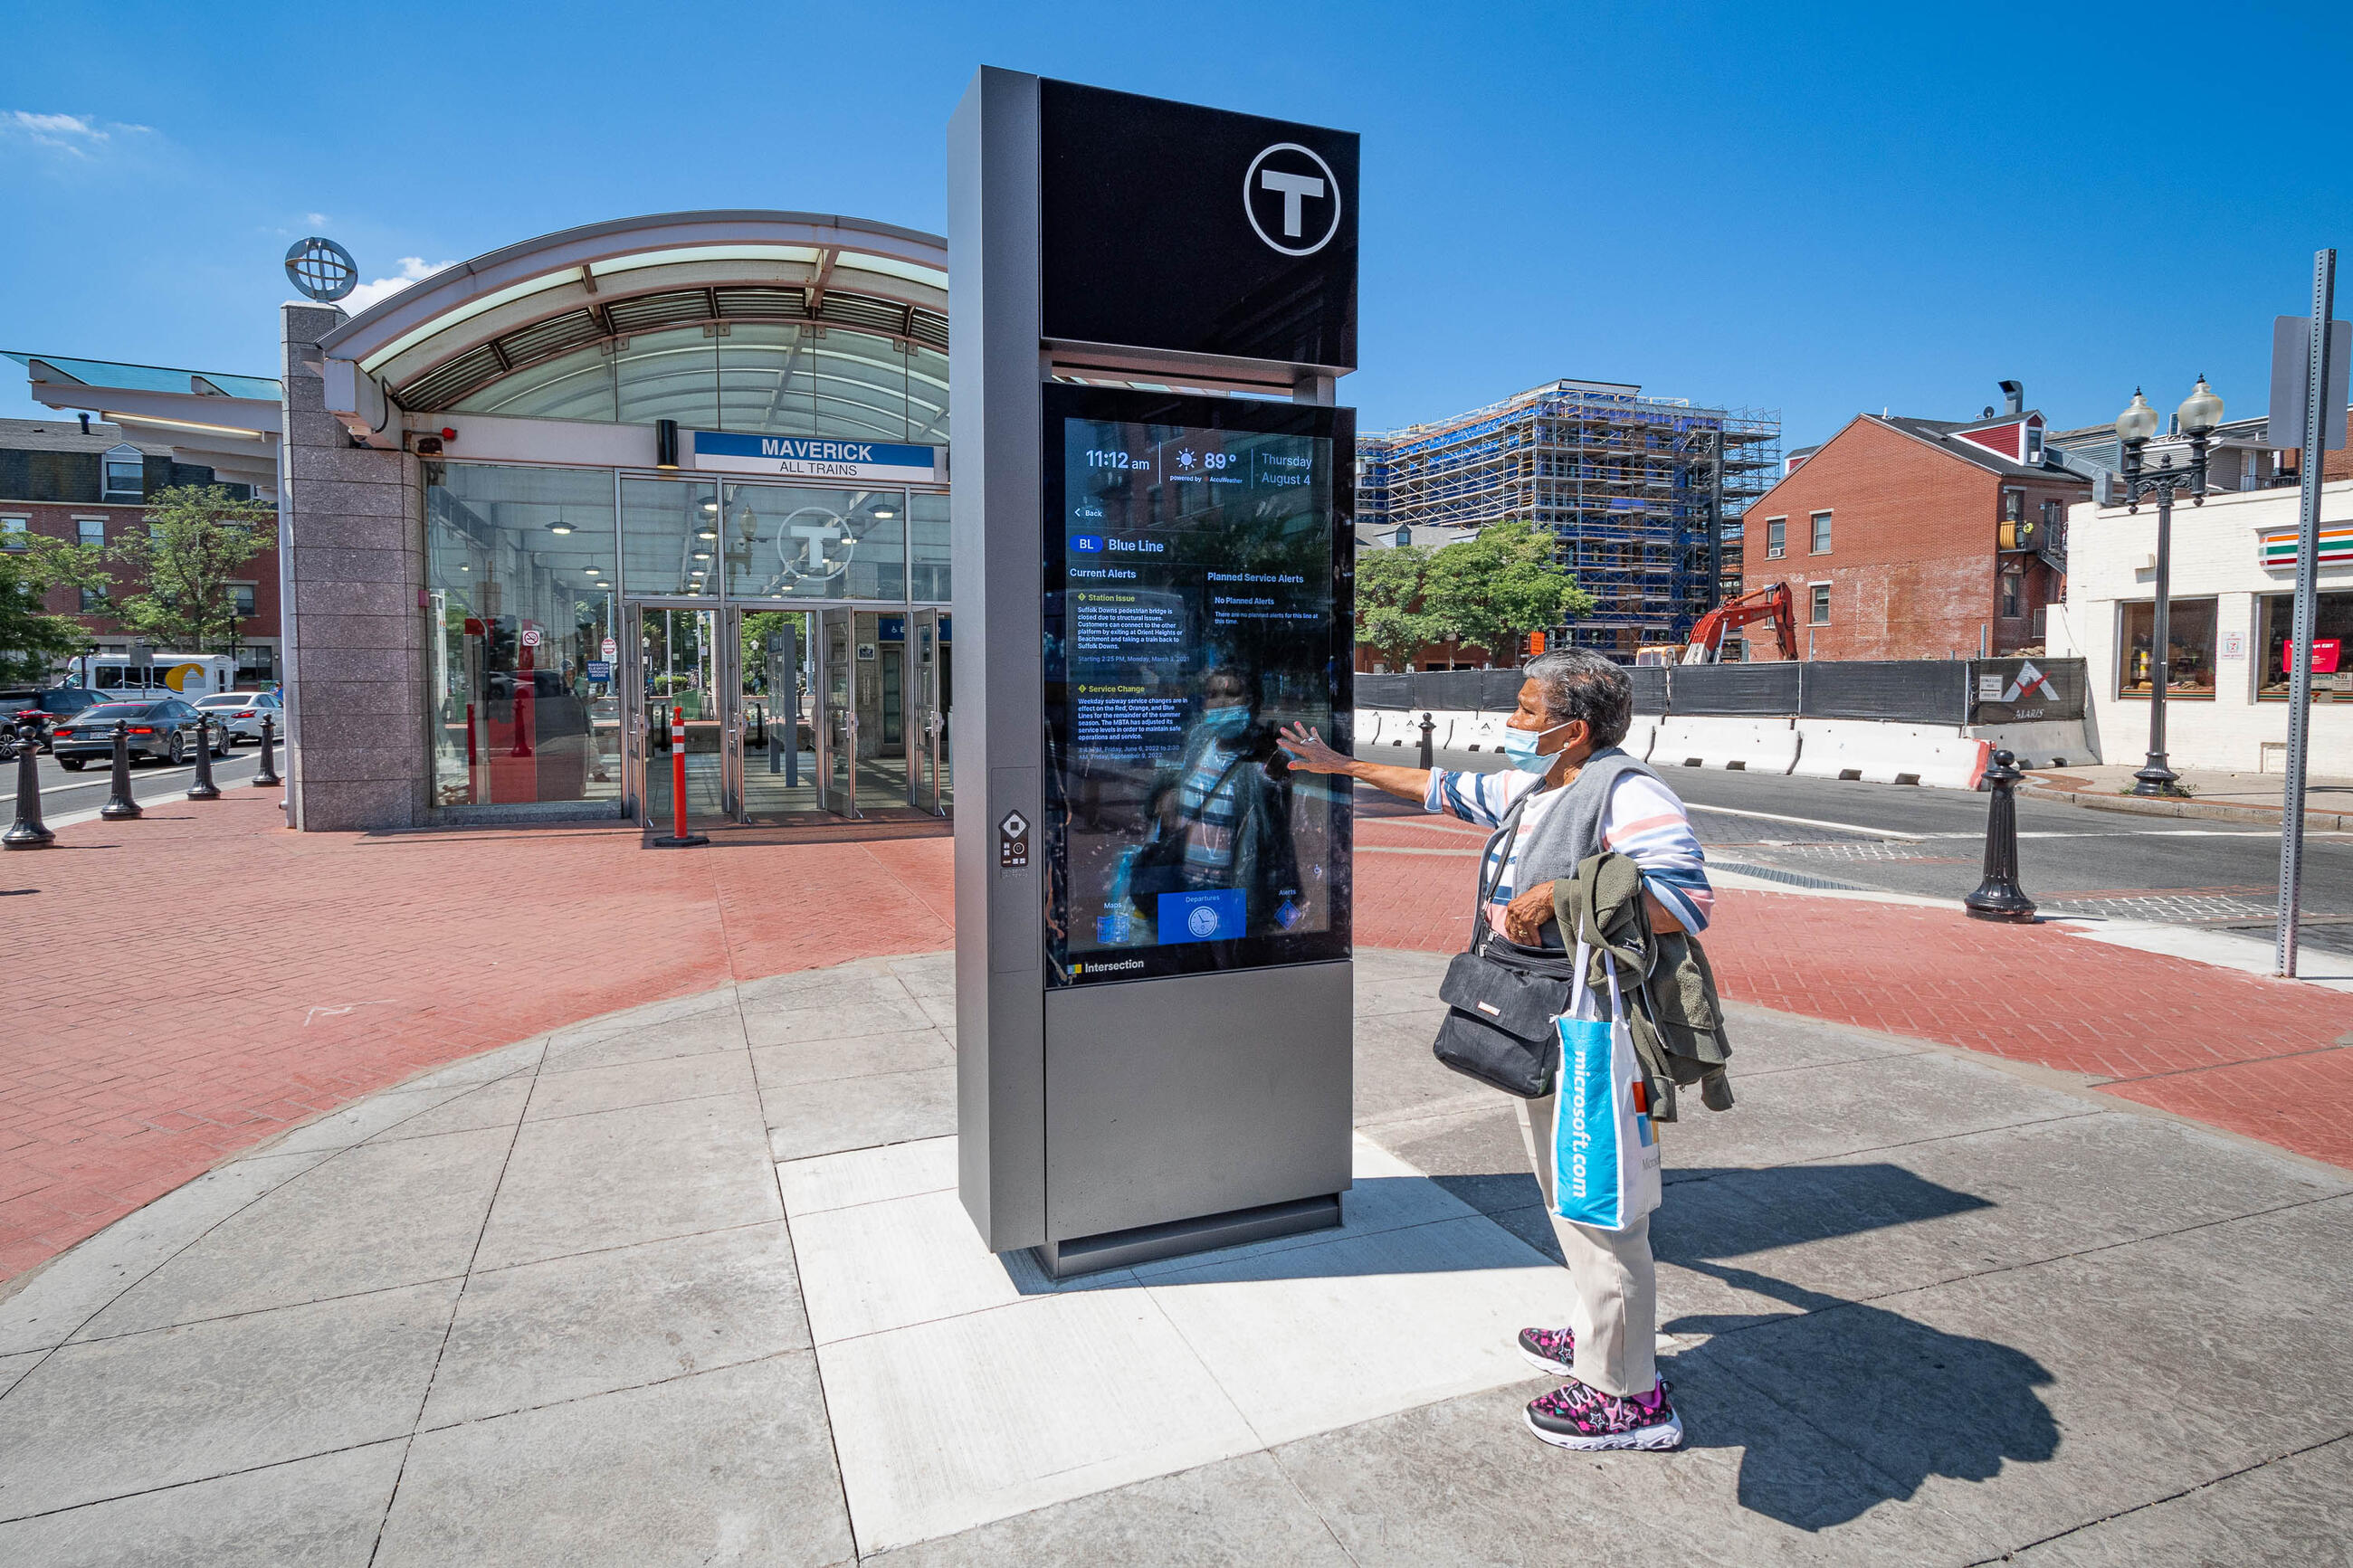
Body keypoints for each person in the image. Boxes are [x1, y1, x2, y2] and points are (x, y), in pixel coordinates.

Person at [1277, 648, 1709, 1452]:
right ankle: (1593, 1331)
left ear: (1573, 730)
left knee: (1602, 1203)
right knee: (1562, 1188)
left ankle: (1630, 1394)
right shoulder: (1544, 786)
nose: (1508, 724)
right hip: (1542, 1019)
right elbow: (1440, 788)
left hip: (1593, 1029)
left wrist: (1561, 894)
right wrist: (1341, 764)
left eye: (1524, 711)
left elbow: (1681, 901)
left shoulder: (1627, 792)